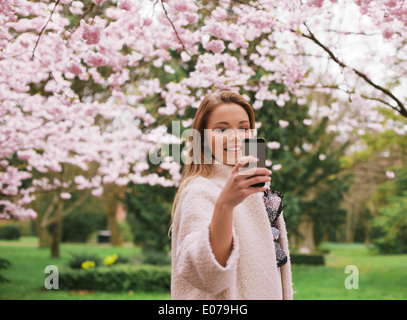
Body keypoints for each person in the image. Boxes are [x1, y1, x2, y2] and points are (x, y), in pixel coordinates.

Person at [170, 91, 293, 300]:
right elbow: (207, 276)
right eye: (221, 129)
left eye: (244, 128)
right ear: (202, 138)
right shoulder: (199, 191)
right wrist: (225, 205)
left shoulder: (257, 189)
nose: (235, 137)